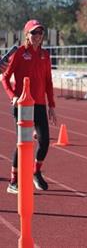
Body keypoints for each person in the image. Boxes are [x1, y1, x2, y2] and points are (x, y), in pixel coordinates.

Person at [2, 19, 57, 194]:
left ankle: (35, 171)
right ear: (27, 34)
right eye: (34, 32)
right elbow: (4, 78)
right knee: (22, 144)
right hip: (23, 106)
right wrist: (13, 97)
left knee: (45, 142)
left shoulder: (45, 55)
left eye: (40, 33)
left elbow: (48, 82)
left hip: (39, 104)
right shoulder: (19, 53)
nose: (37, 36)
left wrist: (52, 106)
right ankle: (13, 181)